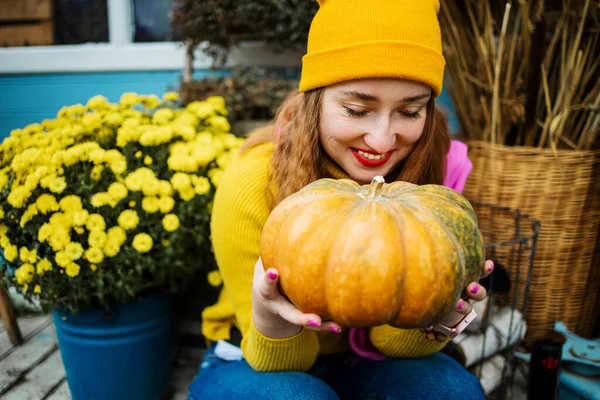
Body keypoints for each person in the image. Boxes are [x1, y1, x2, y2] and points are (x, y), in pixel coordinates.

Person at [189, 0, 494, 398]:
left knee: (448, 389)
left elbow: (392, 345)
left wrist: (430, 317)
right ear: (315, 100)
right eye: (356, 109)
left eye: (409, 111)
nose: (383, 139)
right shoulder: (252, 183)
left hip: (363, 361)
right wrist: (272, 318)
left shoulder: (426, 179)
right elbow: (278, 363)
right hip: (254, 356)